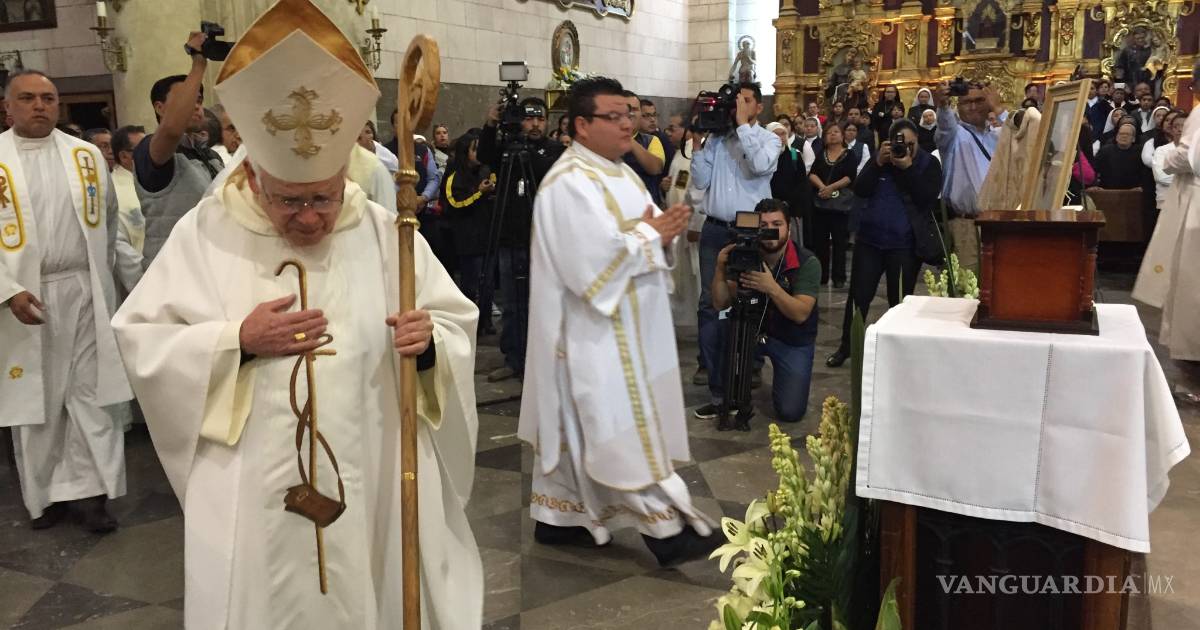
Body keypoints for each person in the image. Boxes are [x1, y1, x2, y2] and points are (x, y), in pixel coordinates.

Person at [110, 1, 483, 626]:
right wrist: (237, 340)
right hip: (256, 480)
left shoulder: (385, 231)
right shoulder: (208, 231)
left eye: (323, 199)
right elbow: (144, 338)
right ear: (256, 179)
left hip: (375, 461)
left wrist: (430, 344)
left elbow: (452, 324)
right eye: (289, 201)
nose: (309, 218)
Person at [519, 75, 721, 565]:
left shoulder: (622, 173)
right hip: (591, 331)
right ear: (581, 125)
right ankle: (666, 531)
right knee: (615, 428)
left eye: (628, 114)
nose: (627, 124)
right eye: (614, 116)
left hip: (630, 325)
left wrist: (662, 236)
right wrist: (652, 236)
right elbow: (588, 266)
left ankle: (558, 519)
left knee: (580, 427)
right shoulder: (568, 184)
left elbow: (646, 232)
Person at [0, 69, 132, 533]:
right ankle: (45, 497)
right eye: (28, 98)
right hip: (23, 296)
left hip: (84, 288)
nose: (40, 105)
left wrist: (108, 280)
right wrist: (8, 289)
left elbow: (109, 222)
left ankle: (92, 494)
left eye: (49, 98)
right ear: (7, 107)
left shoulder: (85, 156)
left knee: (91, 394)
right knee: (38, 399)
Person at [689, 81, 780, 418]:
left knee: (752, 298)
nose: (739, 106)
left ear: (758, 106)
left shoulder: (769, 138)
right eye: (735, 102)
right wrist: (698, 144)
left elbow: (759, 165)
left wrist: (742, 126)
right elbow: (701, 181)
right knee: (710, 302)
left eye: (746, 101)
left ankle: (751, 366)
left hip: (751, 230)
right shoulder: (717, 139)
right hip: (715, 228)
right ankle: (715, 379)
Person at [827, 119, 943, 368]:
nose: (905, 149)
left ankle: (897, 353)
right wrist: (877, 163)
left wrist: (908, 168)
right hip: (870, 242)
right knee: (858, 298)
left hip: (904, 246)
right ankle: (847, 346)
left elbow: (926, 198)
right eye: (900, 144)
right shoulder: (881, 160)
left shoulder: (928, 163)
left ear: (917, 142)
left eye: (910, 144)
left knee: (899, 302)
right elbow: (860, 189)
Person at [711, 198, 820, 429]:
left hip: (791, 339)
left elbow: (801, 314)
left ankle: (756, 374)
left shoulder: (807, 262)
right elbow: (720, 302)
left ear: (789, 228)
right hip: (751, 330)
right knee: (716, 327)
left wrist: (771, 287)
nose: (770, 231)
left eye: (777, 224)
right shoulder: (744, 253)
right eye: (763, 226)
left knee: (791, 411)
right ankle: (723, 394)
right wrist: (720, 268)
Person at [477, 96, 565, 382]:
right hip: (509, 237)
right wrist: (491, 124)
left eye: (540, 119)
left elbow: (546, 173)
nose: (535, 124)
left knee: (543, 303)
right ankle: (514, 359)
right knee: (512, 304)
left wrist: (526, 150)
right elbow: (484, 156)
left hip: (543, 240)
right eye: (528, 119)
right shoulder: (506, 149)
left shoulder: (555, 150)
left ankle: (543, 360)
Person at [135, 33, 225, 269]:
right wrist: (198, 63)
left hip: (207, 263)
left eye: (199, 99)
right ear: (159, 107)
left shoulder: (211, 156)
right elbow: (172, 130)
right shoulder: (150, 148)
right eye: (186, 98)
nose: (196, 105)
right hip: (170, 268)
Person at [934, 80, 1005, 270]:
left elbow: (1024, 138)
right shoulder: (954, 135)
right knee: (968, 284)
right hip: (966, 226)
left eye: (979, 101)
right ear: (958, 106)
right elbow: (945, 125)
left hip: (1000, 225)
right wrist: (943, 105)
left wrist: (999, 109)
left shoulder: (999, 136)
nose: (973, 107)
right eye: (966, 102)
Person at [444, 132, 497, 337]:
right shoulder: (454, 176)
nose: (479, 154)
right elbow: (455, 203)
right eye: (475, 149)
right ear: (465, 152)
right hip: (468, 238)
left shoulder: (486, 170)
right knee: (470, 284)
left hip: (487, 235)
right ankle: (470, 322)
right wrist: (478, 193)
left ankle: (486, 320)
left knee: (489, 283)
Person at [808, 123, 857, 288]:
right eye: (829, 132)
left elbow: (850, 176)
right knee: (820, 242)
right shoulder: (821, 154)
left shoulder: (849, 154)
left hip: (840, 205)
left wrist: (831, 188)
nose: (832, 135)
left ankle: (839, 277)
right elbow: (812, 174)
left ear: (842, 136)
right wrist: (823, 187)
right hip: (821, 204)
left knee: (839, 242)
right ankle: (821, 276)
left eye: (836, 132)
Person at [623, 94, 667, 206]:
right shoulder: (608, 139)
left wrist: (627, 136)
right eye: (628, 109)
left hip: (646, 206)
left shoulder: (651, 140)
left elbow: (656, 168)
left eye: (635, 109)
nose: (631, 114)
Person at [1094, 119, 1147, 189]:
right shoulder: (1105, 151)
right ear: (1116, 137)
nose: (1124, 136)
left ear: (1133, 138)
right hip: (1108, 191)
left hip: (1133, 191)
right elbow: (1095, 169)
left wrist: (1142, 186)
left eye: (1127, 134)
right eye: (1121, 134)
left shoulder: (1140, 151)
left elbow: (1145, 174)